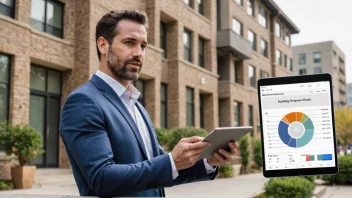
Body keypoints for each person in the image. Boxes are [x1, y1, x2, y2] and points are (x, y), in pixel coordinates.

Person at [59, 9, 239, 197]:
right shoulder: (84, 102)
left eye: (143, 46)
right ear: (103, 45)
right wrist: (171, 161)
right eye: (129, 43)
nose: (139, 53)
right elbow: (101, 178)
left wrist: (208, 162)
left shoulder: (138, 107)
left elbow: (159, 172)